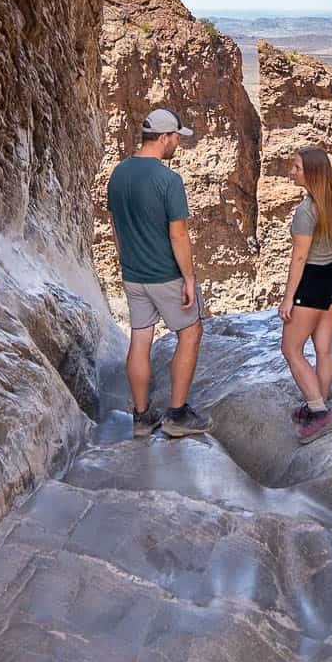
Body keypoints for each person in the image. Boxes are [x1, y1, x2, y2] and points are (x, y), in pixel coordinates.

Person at [106, 107, 211, 439]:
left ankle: (141, 417)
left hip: (133, 275)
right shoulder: (168, 180)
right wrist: (189, 279)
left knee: (140, 339)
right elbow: (178, 235)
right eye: (177, 137)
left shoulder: (119, 173)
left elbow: (115, 227)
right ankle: (177, 415)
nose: (178, 143)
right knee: (191, 333)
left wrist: (128, 262)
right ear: (164, 137)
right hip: (165, 274)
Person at [277, 146, 332, 445]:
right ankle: (316, 402)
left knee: (291, 350)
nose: (291, 172)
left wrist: (287, 298)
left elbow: (299, 259)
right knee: (324, 349)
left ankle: (320, 413)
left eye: (296, 167)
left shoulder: (305, 212)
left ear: (311, 172)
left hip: (310, 282)